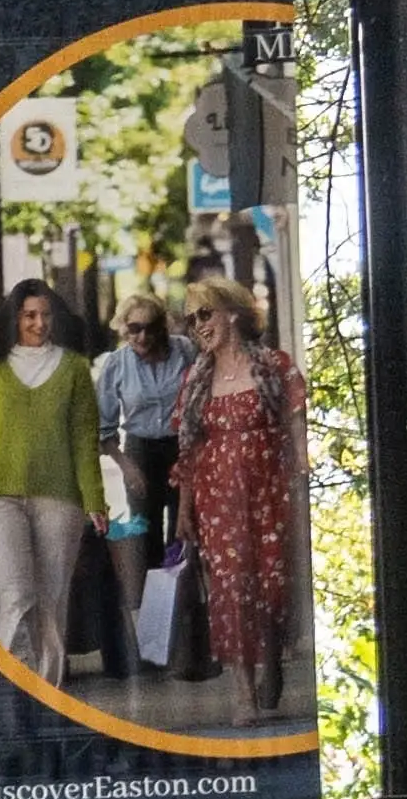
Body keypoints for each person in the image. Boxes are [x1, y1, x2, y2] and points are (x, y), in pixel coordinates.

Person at [0, 276, 110, 691]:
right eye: (30, 315)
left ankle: (48, 693)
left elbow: (84, 439)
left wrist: (95, 500)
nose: (39, 323)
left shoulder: (74, 369)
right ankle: (20, 694)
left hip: (60, 498)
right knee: (16, 597)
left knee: (52, 601)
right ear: (14, 318)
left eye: (45, 315)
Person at [171, 276, 313, 713]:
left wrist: (303, 472)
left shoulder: (273, 366)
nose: (199, 326)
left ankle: (272, 658)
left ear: (232, 313)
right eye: (192, 319)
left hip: (270, 492)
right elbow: (189, 450)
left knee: (271, 587)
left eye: (205, 314)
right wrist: (184, 510)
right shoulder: (196, 379)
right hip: (218, 500)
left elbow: (295, 423)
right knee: (231, 592)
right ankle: (243, 691)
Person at [94, 296, 186, 668]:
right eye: (134, 329)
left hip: (181, 447)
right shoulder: (117, 364)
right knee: (146, 545)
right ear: (124, 329)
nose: (143, 336)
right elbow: (104, 427)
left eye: (150, 328)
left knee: (182, 540)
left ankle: (184, 638)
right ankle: (153, 642)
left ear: (162, 327)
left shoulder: (185, 352)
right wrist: (126, 466)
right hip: (141, 451)